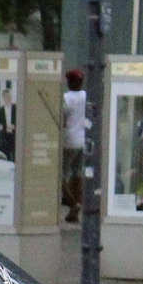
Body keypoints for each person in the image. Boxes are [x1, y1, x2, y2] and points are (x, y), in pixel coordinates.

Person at [61, 67, 89, 220]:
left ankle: (73, 204)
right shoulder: (86, 96)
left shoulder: (66, 98)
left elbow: (62, 119)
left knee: (61, 177)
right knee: (78, 175)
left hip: (69, 141)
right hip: (82, 141)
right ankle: (75, 210)